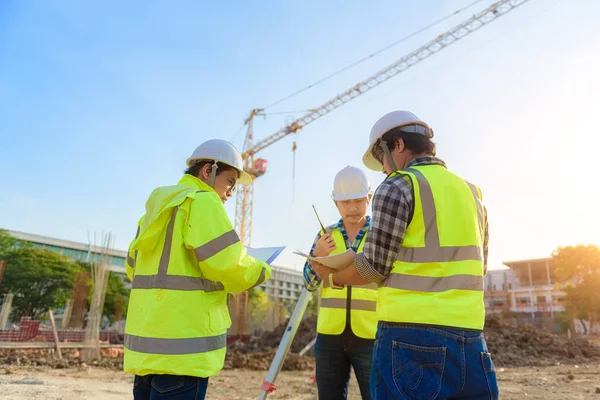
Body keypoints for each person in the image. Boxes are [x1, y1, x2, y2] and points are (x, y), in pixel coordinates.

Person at [309, 111, 499, 399]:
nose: (384, 169)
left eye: (382, 159)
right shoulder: (472, 192)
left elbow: (374, 267)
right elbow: (480, 267)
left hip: (410, 336)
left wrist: (332, 277)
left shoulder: (399, 184)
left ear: (397, 145)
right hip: (470, 337)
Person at [123, 139, 272, 400]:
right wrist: (263, 269)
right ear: (207, 171)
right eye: (230, 183)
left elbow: (132, 269)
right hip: (183, 355)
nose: (229, 193)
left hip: (148, 353)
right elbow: (229, 265)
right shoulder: (202, 202)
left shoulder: (157, 208)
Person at [303, 165, 378, 400]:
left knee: (376, 395)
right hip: (329, 335)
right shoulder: (325, 235)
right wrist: (319, 253)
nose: (353, 208)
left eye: (358, 200)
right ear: (336, 203)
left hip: (371, 333)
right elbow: (309, 283)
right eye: (346, 202)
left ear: (369, 197)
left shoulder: (380, 233)